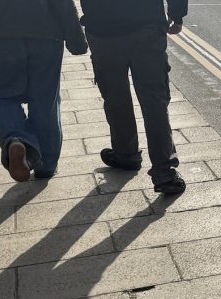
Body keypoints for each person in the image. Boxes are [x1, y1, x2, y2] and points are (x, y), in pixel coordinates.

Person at [0, 0, 87, 182]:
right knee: (44, 99)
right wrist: (76, 38)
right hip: (43, 31)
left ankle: (16, 139)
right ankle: (46, 165)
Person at [80, 0, 189, 194]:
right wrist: (177, 14)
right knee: (154, 101)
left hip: (102, 29)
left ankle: (126, 154)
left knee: (115, 98)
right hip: (146, 26)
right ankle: (164, 172)